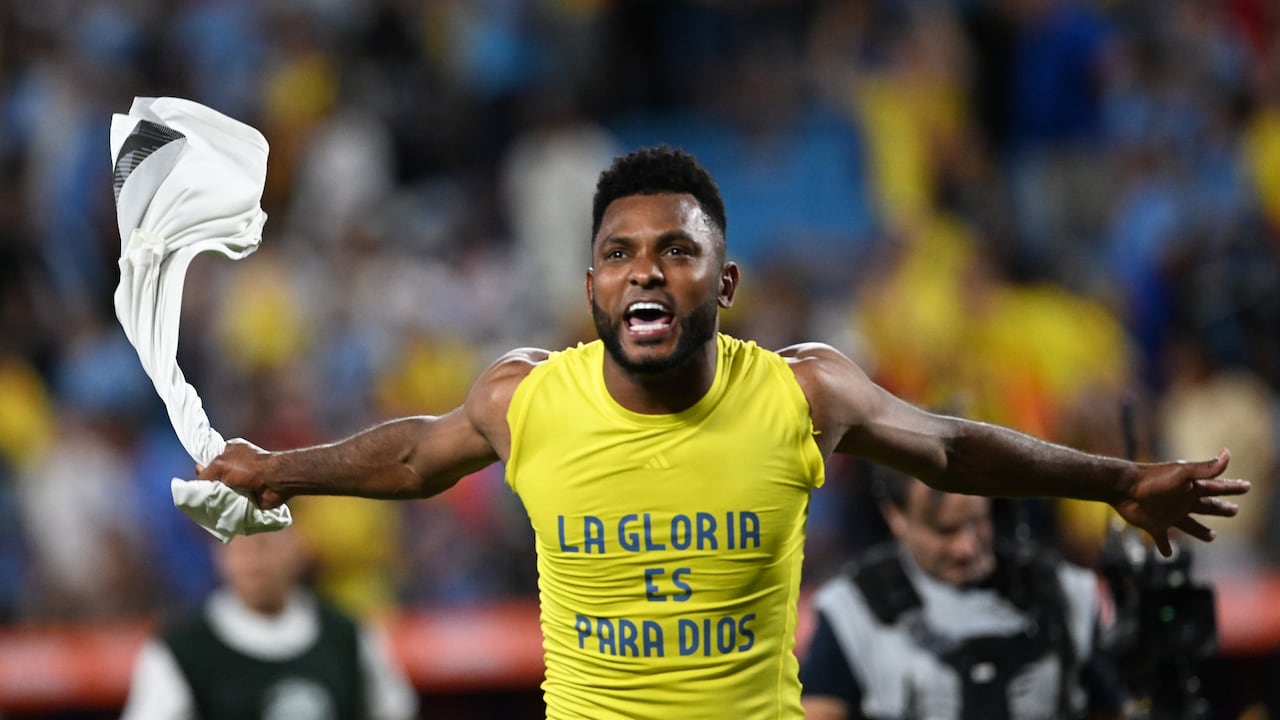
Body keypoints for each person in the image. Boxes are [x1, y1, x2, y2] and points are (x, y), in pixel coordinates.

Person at [196, 146, 1248, 719]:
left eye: (674, 250)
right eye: (617, 253)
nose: (644, 269)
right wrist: (283, 470)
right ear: (592, 286)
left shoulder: (801, 394)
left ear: (725, 282)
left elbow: (947, 446)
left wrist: (1112, 481)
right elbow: (417, 453)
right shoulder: (527, 400)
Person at [800, 468, 1131, 719]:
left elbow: (1115, 709)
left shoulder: (1064, 593)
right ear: (895, 516)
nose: (966, 547)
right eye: (945, 530)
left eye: (977, 522)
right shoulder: (853, 610)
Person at [119, 525, 418, 720]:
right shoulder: (181, 648)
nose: (252, 561)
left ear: (297, 549)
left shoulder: (346, 635)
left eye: (263, 545)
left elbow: (394, 709)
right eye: (237, 547)